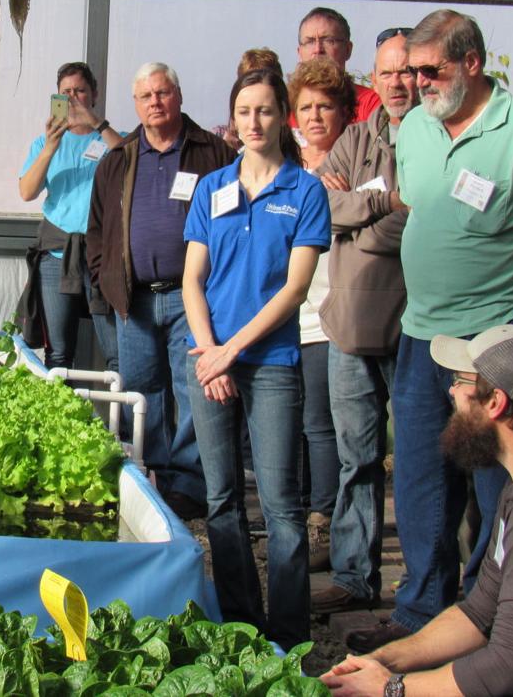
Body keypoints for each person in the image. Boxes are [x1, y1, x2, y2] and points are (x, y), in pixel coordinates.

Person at [346, 9, 513, 653]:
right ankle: (421, 610)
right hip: (422, 336)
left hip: (495, 341)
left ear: (472, 63)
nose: (416, 82)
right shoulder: (416, 127)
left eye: (430, 70)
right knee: (421, 477)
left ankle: (491, 618)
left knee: (499, 483)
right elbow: (417, 204)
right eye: (412, 70)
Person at [322, 325, 513, 697]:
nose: (451, 392)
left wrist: (390, 688)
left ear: (496, 402)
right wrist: (385, 660)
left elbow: (503, 671)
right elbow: (480, 613)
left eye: (459, 381)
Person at [181, 67, 330, 649]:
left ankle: (288, 641)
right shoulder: (211, 188)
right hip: (209, 356)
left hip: (271, 363)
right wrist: (210, 353)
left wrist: (231, 351)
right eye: (244, 111)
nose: (254, 122)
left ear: (282, 115)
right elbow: (192, 279)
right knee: (221, 501)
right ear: (233, 117)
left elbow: (294, 289)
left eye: (265, 110)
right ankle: (242, 628)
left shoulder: (304, 191)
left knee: (282, 508)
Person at [88, 63, 234, 520]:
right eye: (146, 96)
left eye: (163, 92)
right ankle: (152, 478)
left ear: (179, 95)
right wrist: (105, 277)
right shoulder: (118, 158)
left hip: (193, 297)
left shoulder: (213, 152)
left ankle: (188, 486)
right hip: (134, 299)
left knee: (192, 391)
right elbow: (97, 229)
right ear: (135, 104)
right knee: (142, 393)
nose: (155, 101)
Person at [311, 31, 414, 614]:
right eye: (387, 73)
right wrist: (384, 203)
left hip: (413, 323)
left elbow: (424, 217)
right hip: (350, 323)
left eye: (406, 71)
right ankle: (355, 576)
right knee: (357, 458)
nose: (397, 83)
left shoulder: (433, 138)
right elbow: (320, 207)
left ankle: (427, 582)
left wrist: (361, 223)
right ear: (372, 79)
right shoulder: (355, 138)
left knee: (423, 460)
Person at [288, 57, 357, 569]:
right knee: (295, 423)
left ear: (343, 113)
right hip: (286, 315)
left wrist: (346, 197)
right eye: (306, 107)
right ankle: (299, 517)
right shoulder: (286, 168)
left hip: (330, 316)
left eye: (325, 106)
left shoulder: (353, 166)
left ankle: (324, 522)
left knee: (322, 424)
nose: (315, 116)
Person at [18, 61, 123, 371]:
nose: (74, 98)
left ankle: (119, 405)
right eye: (66, 92)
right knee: (59, 352)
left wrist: (97, 124)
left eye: (80, 91)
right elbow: (27, 191)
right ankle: (62, 403)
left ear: (94, 95)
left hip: (102, 255)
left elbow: (132, 163)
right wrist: (50, 146)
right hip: (57, 254)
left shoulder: (113, 138)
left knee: (117, 351)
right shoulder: (44, 143)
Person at [295, 7, 381, 123]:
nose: (318, 49)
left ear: (348, 49)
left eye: (329, 41)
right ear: (299, 52)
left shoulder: (370, 103)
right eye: (310, 42)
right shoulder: (285, 106)